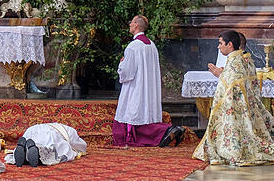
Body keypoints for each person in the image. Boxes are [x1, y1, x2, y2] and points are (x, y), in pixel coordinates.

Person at [193, 30, 274, 165]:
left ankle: (233, 151)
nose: (218, 47)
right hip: (245, 105)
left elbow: (233, 84)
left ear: (229, 44)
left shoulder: (236, 61)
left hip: (236, 108)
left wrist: (220, 75)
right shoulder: (243, 59)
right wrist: (223, 74)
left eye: (220, 43)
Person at [113, 15, 184, 147]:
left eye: (131, 22)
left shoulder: (133, 46)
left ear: (136, 25)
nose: (129, 25)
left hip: (136, 87)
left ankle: (165, 131)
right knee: (145, 116)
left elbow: (127, 73)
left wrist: (121, 65)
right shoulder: (151, 45)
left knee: (134, 116)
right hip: (149, 88)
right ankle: (167, 131)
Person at [6, 123, 87, 167]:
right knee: (53, 152)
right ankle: (37, 152)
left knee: (30, 143)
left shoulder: (40, 126)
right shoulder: (71, 130)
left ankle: (24, 152)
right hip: (52, 134)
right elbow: (81, 146)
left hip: (31, 130)